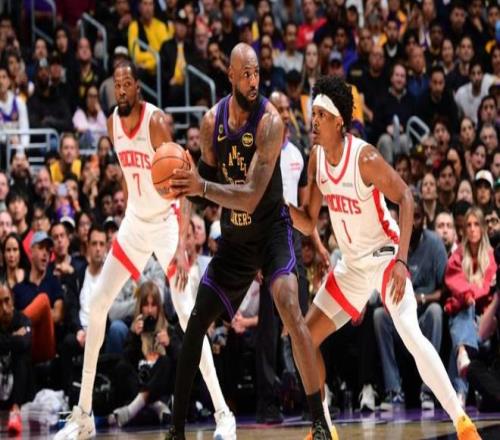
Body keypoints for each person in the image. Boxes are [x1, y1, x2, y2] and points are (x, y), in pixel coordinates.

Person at [288, 75, 481, 440]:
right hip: (351, 266)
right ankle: (323, 426)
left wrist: (402, 261)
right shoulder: (316, 158)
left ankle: (462, 423)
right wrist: (280, 209)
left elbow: (406, 197)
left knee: (410, 333)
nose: (313, 120)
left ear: (338, 121)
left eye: (321, 115)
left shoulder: (364, 158)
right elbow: (309, 220)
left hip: (384, 257)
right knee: (303, 338)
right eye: (313, 113)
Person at [55, 59, 236, 440]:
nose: (121, 90)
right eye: (116, 84)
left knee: (188, 314)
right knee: (98, 305)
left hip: (167, 225)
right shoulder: (111, 123)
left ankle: (224, 415)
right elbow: (127, 172)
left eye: (127, 84)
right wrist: (129, 206)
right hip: (136, 224)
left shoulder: (155, 123)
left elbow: (186, 178)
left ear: (138, 87)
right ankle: (83, 414)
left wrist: (184, 242)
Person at [166, 43, 331, 439]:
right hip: (237, 241)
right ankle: (176, 429)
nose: (253, 81)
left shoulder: (270, 122)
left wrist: (202, 186)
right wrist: (183, 233)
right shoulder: (212, 122)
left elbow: (252, 195)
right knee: (195, 322)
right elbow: (197, 185)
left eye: (256, 73)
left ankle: (318, 422)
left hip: (272, 231)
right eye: (245, 74)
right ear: (231, 75)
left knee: (290, 307)